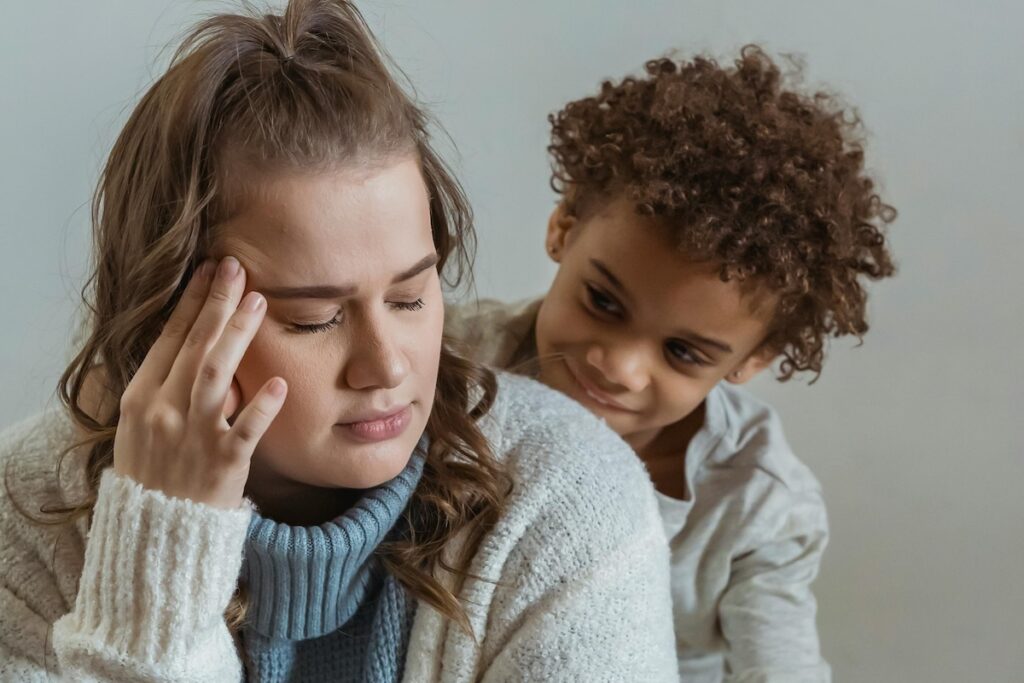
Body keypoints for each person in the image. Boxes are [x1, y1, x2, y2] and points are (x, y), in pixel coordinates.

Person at [0, 2, 677, 681]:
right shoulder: (26, 510)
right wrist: (161, 553)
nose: (387, 365)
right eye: (314, 318)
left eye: (411, 297)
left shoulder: (569, 502)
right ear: (166, 317)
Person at [448, 47, 897, 682]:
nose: (620, 368)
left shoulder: (758, 502)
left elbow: (780, 669)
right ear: (564, 226)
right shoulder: (451, 359)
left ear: (753, 359)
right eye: (602, 302)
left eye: (683, 353)